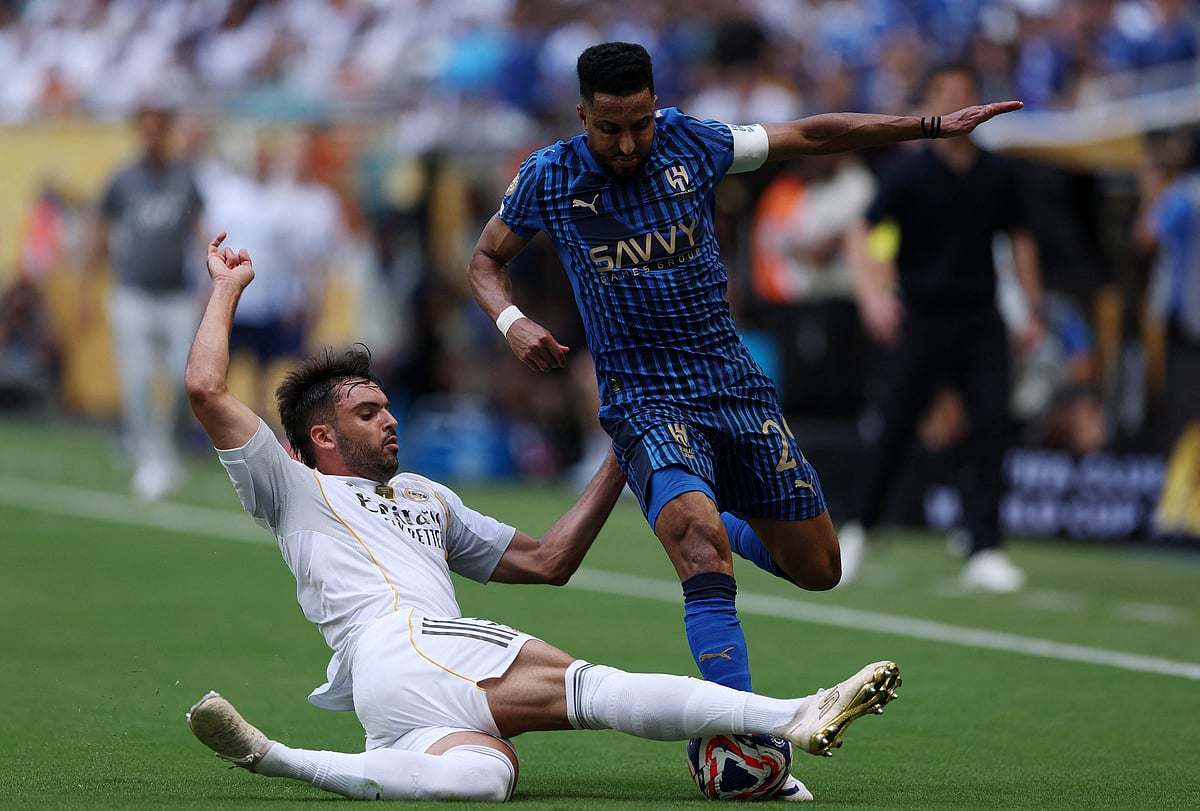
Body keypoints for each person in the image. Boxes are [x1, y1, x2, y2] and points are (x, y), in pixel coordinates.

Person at [182, 233, 902, 803]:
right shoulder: (294, 489)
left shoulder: (428, 496)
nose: (391, 420)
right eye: (368, 413)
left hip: (396, 692)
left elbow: (548, 560)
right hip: (405, 642)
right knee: (592, 688)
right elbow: (205, 387)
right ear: (322, 439)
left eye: (388, 405)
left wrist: (623, 449)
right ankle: (794, 712)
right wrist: (226, 289)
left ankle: (278, 758)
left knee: (484, 778)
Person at [466, 40, 1011, 778]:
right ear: (582, 115)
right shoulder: (547, 177)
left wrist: (926, 127)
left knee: (818, 567)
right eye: (609, 129)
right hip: (644, 396)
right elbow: (485, 260)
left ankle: (705, 514)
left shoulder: (696, 140)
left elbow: (811, 135)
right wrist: (511, 321)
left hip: (734, 386)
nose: (627, 144)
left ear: (655, 108)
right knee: (695, 547)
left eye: (640, 125)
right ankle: (744, 737)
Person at [839, 64, 1045, 593]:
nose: (955, 103)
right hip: (921, 317)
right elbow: (871, 234)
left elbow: (1020, 240)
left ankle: (985, 547)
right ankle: (858, 531)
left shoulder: (998, 173)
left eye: (964, 93)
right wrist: (874, 297)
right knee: (894, 426)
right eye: (943, 95)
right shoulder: (908, 172)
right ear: (928, 102)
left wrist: (1035, 308)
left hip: (981, 318)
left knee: (992, 427)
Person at [83, 101, 205, 501]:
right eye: (147, 127)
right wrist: (87, 290)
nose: (153, 135)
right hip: (132, 292)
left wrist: (210, 283)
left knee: (181, 379)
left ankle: (167, 450)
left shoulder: (185, 178)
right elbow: (99, 235)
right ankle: (151, 460)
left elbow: (199, 232)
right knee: (136, 382)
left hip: (176, 296)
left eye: (160, 128)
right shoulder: (123, 180)